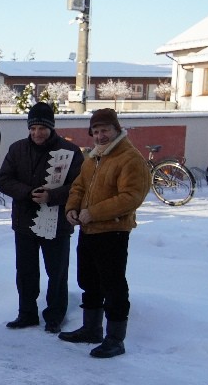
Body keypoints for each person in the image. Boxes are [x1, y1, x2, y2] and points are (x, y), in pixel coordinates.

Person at [60, 108, 150, 358]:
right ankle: (91, 329)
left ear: (116, 130)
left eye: (105, 130)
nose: (100, 136)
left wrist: (94, 212)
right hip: (88, 230)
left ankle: (115, 339)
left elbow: (131, 197)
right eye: (96, 131)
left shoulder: (130, 158)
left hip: (113, 232)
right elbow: (78, 186)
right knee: (89, 281)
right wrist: (72, 208)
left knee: (113, 285)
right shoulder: (93, 158)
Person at [0, 102, 84, 332]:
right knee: (26, 272)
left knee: (57, 272)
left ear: (51, 127)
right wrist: (27, 192)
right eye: (33, 128)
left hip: (57, 223)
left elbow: (79, 186)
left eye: (42, 128)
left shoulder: (70, 151)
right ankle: (26, 313)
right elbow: (3, 180)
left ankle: (55, 316)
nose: (37, 133)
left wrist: (52, 196)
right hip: (24, 220)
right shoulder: (17, 149)